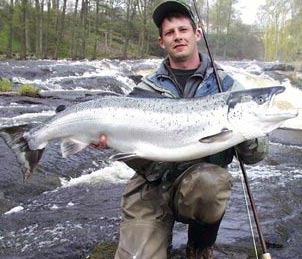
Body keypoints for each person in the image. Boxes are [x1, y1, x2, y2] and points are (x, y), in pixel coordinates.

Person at [98, 1, 268, 258]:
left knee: (212, 182)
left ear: (196, 34)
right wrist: (106, 138)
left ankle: (199, 246)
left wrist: (245, 131)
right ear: (161, 42)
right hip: (150, 186)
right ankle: (155, 237)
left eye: (183, 29)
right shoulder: (145, 90)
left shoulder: (228, 87)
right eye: (169, 33)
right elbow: (132, 153)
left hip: (199, 185)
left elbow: (256, 156)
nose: (177, 36)